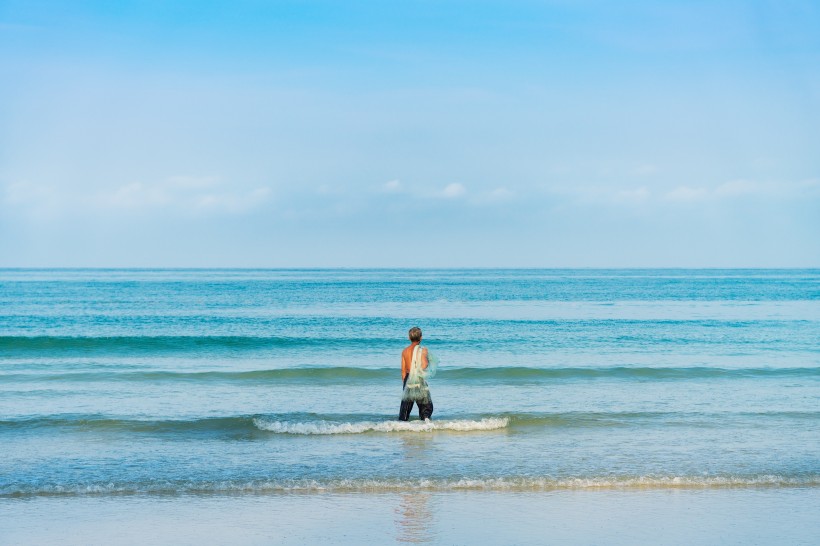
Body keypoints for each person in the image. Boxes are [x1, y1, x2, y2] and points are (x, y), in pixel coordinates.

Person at [399, 326, 434, 421]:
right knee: (426, 406)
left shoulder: (404, 351)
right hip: (418, 378)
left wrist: (405, 385)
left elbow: (403, 370)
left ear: (409, 338)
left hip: (408, 378)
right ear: (421, 337)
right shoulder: (423, 350)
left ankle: (401, 425)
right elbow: (424, 365)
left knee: (405, 407)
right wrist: (427, 360)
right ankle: (424, 424)